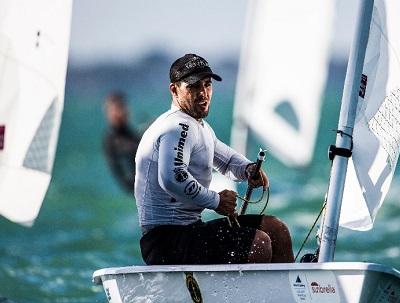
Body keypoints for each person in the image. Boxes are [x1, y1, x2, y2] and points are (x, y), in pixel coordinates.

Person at [135, 54, 294, 265]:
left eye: (207, 85)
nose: (203, 93)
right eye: (193, 87)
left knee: (276, 229)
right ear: (174, 90)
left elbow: (227, 161)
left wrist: (248, 169)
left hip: (190, 231)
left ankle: (287, 292)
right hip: (165, 241)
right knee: (258, 243)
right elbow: (173, 178)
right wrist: (216, 201)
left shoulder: (199, 127)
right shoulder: (176, 127)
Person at [102, 92, 140, 194]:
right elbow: (119, 170)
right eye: (116, 109)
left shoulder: (130, 133)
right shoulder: (112, 139)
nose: (120, 113)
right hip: (135, 186)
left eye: (122, 108)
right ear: (108, 113)